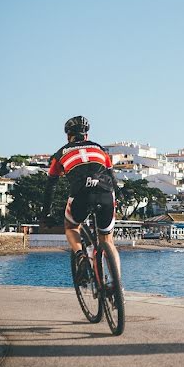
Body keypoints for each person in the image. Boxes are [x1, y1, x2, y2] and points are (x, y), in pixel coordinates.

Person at [42, 116, 121, 283]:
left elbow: (51, 186)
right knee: (108, 240)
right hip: (105, 193)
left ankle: (80, 256)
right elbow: (112, 178)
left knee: (71, 226)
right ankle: (117, 286)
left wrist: (46, 213)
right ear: (86, 135)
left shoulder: (60, 154)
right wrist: (119, 199)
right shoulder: (100, 150)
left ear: (68, 136)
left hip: (81, 195)